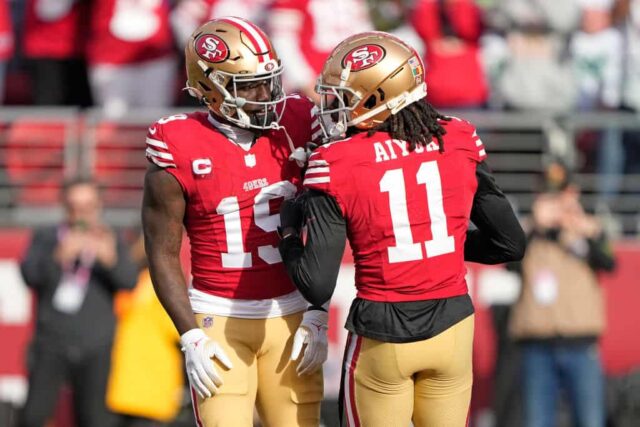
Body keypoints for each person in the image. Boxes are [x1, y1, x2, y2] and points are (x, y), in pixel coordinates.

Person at [278, 32, 526, 427]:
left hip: (383, 331)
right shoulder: (458, 137)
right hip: (454, 328)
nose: (334, 107)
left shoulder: (336, 160)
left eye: (344, 97)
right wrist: (437, 242)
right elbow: (509, 243)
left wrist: (288, 233)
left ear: (378, 98)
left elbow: (316, 283)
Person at [142, 17, 327, 427]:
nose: (265, 95)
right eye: (248, 86)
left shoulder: (299, 119)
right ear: (209, 89)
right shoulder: (178, 141)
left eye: (269, 81)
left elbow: (337, 213)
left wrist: (318, 308)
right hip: (219, 316)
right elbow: (162, 250)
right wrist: (190, 334)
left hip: (292, 310)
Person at [19, 177, 138, 427]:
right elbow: (30, 275)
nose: (81, 214)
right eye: (74, 207)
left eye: (88, 207)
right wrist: (57, 257)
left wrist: (110, 261)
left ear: (99, 206)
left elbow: (129, 282)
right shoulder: (48, 237)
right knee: (34, 415)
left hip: (96, 344)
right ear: (64, 207)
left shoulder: (110, 237)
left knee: (95, 418)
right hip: (51, 341)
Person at [508, 160, 616, 427]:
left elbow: (609, 262)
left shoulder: (588, 228)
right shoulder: (527, 232)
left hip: (582, 344)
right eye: (548, 195)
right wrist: (535, 223)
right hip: (537, 345)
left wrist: (581, 229)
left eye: (560, 195)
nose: (555, 202)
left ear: (573, 193)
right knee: (537, 420)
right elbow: (510, 262)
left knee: (590, 420)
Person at [106, 234, 184, 427]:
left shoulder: (129, 285)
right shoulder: (163, 285)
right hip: (151, 385)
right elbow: (177, 328)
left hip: (125, 383)